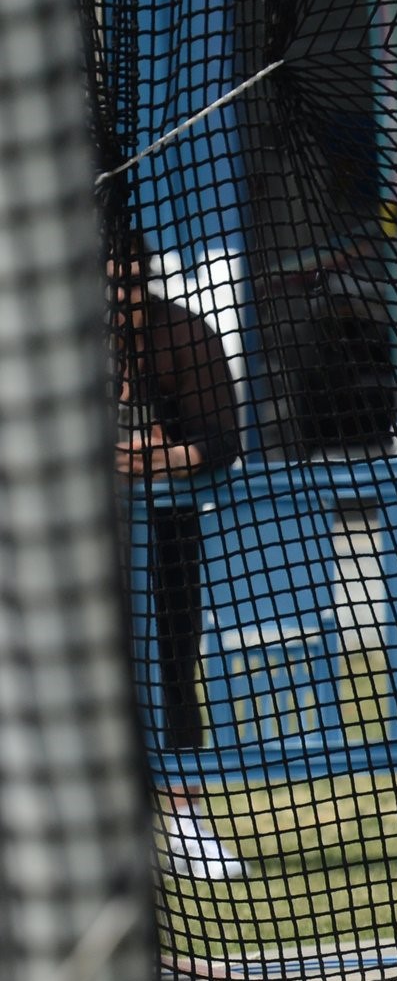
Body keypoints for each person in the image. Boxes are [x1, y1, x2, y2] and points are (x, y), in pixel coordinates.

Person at [109, 239, 248, 880]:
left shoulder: (182, 333)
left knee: (169, 661)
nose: (125, 300)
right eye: (113, 286)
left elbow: (221, 437)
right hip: (80, 532)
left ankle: (186, 822)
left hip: (165, 528)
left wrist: (168, 456)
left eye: (135, 286)